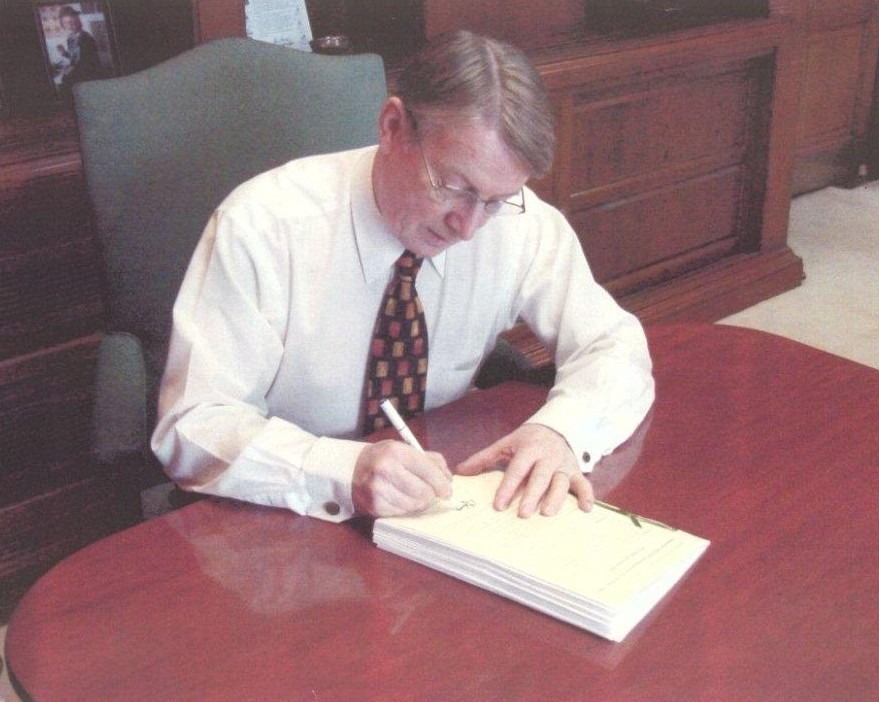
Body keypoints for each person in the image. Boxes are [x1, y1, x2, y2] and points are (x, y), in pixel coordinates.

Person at [151, 30, 655, 523]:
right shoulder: (261, 227)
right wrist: (342, 470)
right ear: (392, 127)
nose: (468, 227)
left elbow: (613, 344)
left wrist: (561, 432)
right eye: (452, 186)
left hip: (437, 504)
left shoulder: (521, 224)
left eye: (495, 201)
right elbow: (193, 425)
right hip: (283, 516)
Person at [55, 6, 102, 92]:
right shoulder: (70, 37)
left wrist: (68, 70)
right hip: (79, 70)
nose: (69, 25)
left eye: (71, 22)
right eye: (65, 23)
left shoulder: (85, 38)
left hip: (89, 74)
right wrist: (64, 53)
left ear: (77, 21)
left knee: (63, 81)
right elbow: (74, 57)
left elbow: (82, 62)